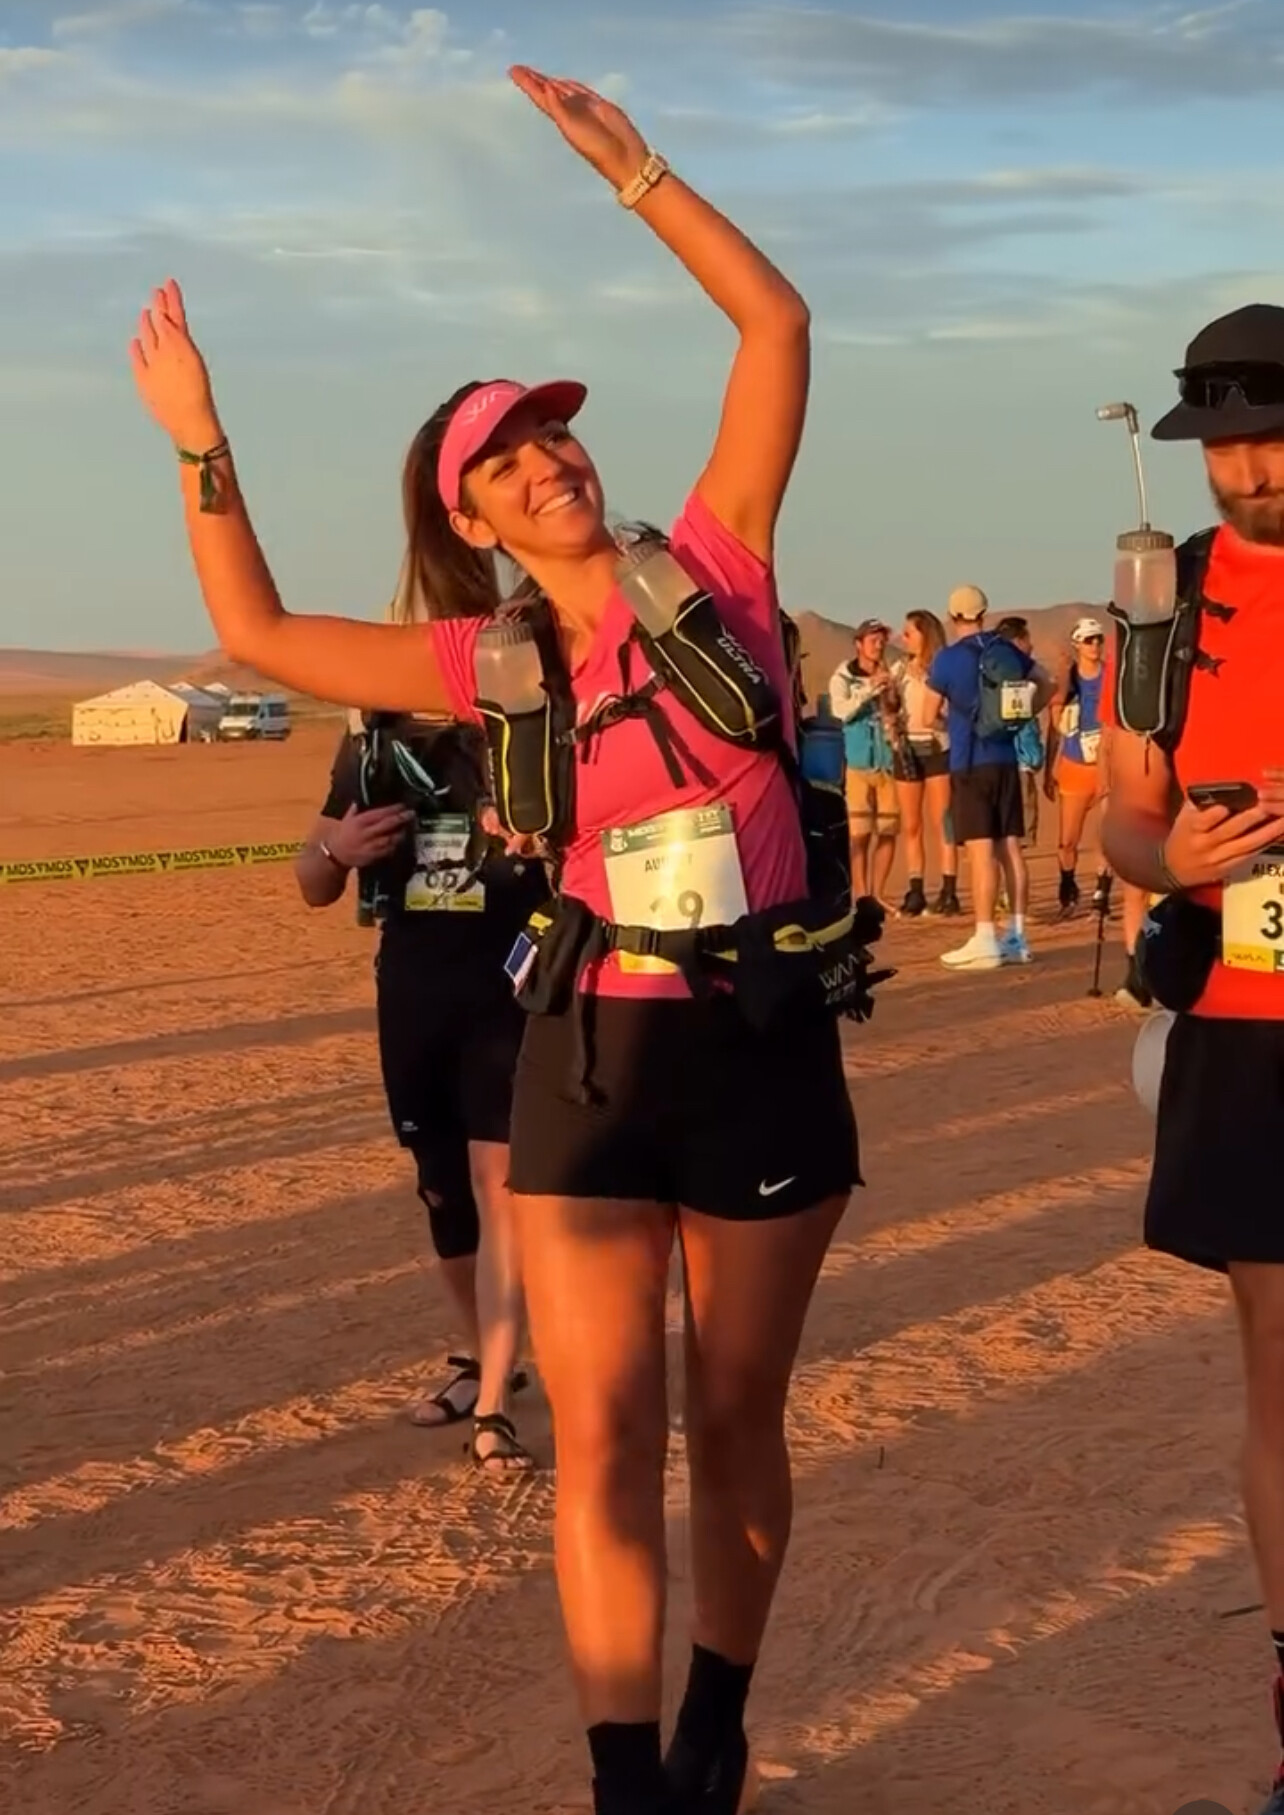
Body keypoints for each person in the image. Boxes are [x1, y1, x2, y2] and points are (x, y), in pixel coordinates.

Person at [129, 66, 871, 1815]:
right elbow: (254, 629)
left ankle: (712, 1723)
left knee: (734, 1416)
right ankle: (625, 1780)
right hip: (592, 1055)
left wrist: (641, 171)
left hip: (758, 1042)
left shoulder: (721, 568)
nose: (549, 461)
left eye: (554, 435)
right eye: (507, 458)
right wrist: (198, 439)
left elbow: (773, 326)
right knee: (601, 1433)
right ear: (469, 520)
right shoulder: (488, 666)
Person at [1099, 301, 1284, 1815]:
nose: (1248, 468)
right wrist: (1174, 861)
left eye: (1270, 437)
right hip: (1247, 1025)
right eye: (1222, 445)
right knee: (1283, 1364)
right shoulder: (1160, 613)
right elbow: (1123, 814)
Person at [295, 704, 548, 1469]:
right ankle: (484, 1359)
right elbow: (311, 881)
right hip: (414, 992)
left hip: (512, 984)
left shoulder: (523, 725)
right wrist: (335, 850)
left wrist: (545, 841)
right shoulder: (375, 741)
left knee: (498, 1185)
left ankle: (496, 1403)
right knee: (441, 1188)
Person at [922, 584, 1052, 970]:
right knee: (1010, 847)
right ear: (983, 613)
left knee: (980, 853)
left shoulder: (947, 660)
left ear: (952, 616)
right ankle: (1017, 937)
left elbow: (927, 715)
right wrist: (1021, 714)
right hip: (1006, 759)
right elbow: (1047, 683)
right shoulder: (1006, 649)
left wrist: (952, 724)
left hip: (969, 762)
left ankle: (984, 937)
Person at [885, 609, 959, 916]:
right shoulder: (899, 669)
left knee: (943, 821)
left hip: (938, 747)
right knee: (911, 824)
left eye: (909, 633)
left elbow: (956, 709)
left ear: (924, 635)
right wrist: (887, 701)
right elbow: (890, 708)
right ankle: (915, 890)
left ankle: (949, 890)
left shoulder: (943, 669)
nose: (903, 639)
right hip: (907, 749)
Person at [829, 619, 900, 910]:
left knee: (888, 830)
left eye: (882, 641)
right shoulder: (843, 677)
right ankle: (861, 895)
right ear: (859, 644)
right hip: (858, 763)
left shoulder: (890, 673)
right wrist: (869, 689)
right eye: (873, 641)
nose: (879, 646)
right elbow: (840, 712)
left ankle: (878, 893)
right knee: (859, 833)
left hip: (888, 762)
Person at [1045, 617, 1112, 917]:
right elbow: (1055, 728)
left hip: (1107, 767)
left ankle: (1102, 895)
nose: (1095, 645)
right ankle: (1068, 889)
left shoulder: (1111, 676)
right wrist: (1049, 769)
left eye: (1098, 639)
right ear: (1077, 645)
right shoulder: (1067, 681)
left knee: (1106, 836)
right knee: (1067, 840)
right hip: (1074, 766)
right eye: (1088, 640)